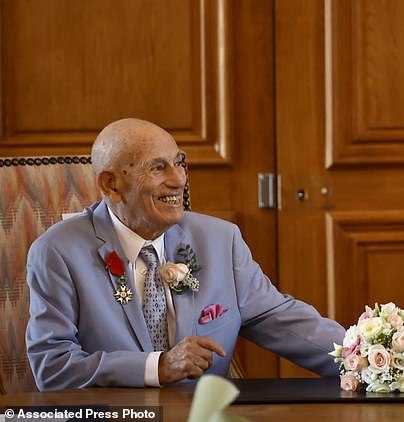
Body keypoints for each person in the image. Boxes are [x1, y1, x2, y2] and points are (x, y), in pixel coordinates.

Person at [26, 117, 345, 391]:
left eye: (179, 163)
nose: (178, 180)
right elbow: (53, 366)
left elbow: (280, 319)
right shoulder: (57, 252)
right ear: (112, 185)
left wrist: (368, 357)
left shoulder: (220, 240)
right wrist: (158, 367)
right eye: (157, 168)